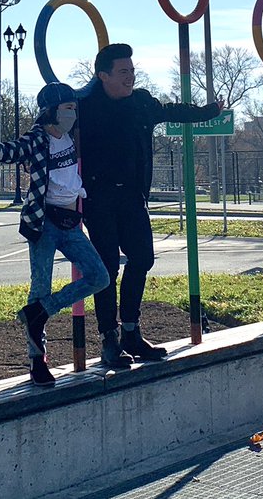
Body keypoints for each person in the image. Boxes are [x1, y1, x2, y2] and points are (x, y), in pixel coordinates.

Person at [79, 43, 222, 368]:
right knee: (106, 270)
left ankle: (131, 331)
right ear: (103, 75)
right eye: (123, 71)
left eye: (132, 70)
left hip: (132, 196)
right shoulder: (85, 105)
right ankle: (109, 341)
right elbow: (49, 122)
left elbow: (174, 111)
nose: (130, 77)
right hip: (98, 198)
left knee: (142, 259)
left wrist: (208, 111)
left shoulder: (142, 103)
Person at [0, 82, 110, 386]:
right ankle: (37, 360)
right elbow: (9, 152)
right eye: (67, 108)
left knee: (100, 277)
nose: (73, 113)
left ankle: (40, 312)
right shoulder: (38, 138)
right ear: (51, 112)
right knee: (40, 286)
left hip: (72, 222)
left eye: (74, 107)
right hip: (44, 223)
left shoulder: (74, 135)